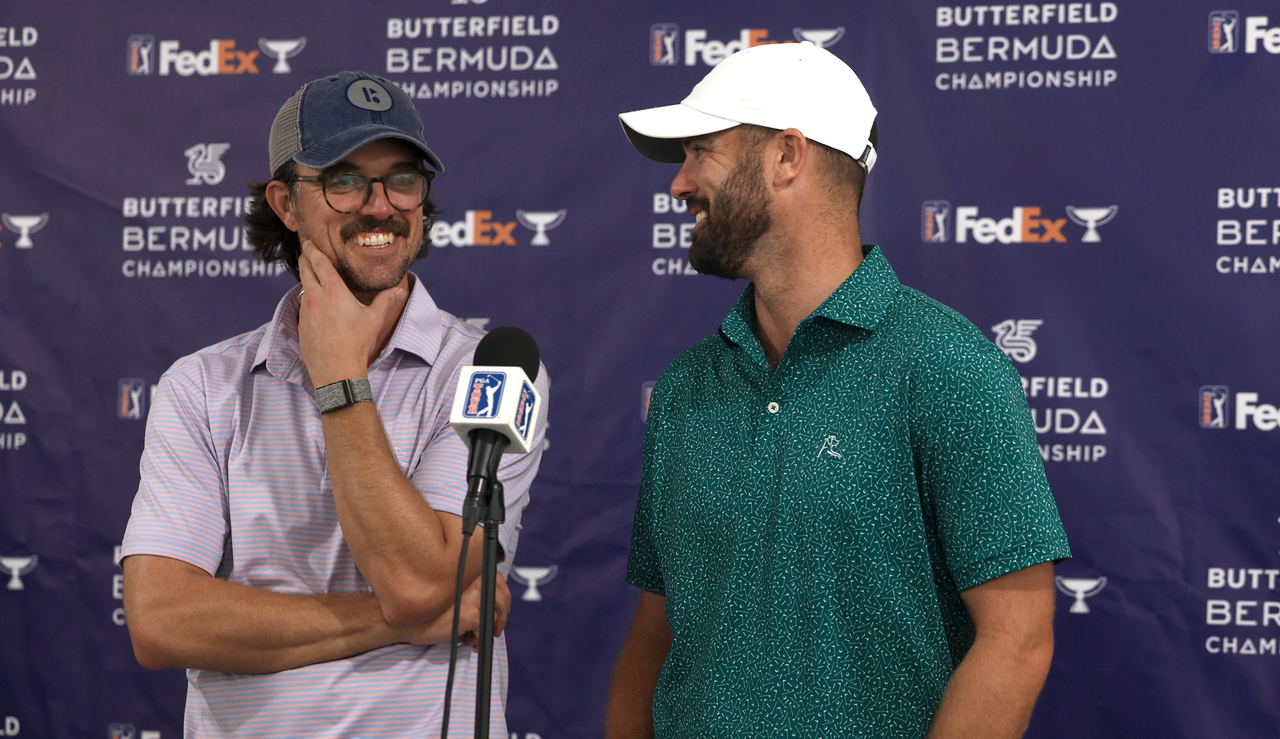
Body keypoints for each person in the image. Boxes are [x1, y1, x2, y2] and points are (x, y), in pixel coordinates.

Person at [606, 44, 1070, 739]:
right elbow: (657, 629)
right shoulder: (683, 388)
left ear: (786, 157)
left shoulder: (951, 368)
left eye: (701, 150)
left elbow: (1019, 639)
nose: (679, 183)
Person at [120, 71, 548, 738]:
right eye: (344, 180)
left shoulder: (490, 369)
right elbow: (160, 620)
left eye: (402, 178)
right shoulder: (201, 385)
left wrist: (340, 380)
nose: (381, 206)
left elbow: (410, 579)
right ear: (286, 204)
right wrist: (391, 621)